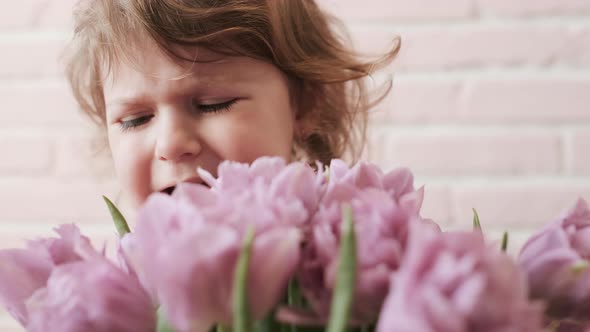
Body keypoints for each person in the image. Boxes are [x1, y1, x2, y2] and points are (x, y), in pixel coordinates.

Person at [64, 0, 398, 221]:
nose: (170, 144)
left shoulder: (350, 274)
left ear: (305, 104)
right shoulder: (122, 300)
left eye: (212, 105)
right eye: (135, 120)